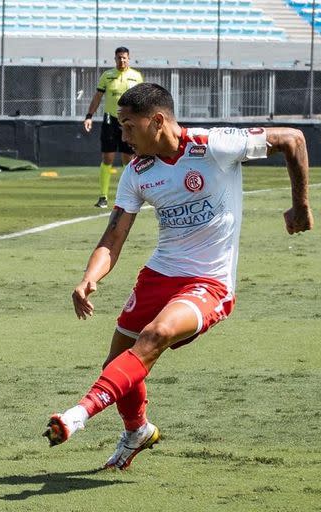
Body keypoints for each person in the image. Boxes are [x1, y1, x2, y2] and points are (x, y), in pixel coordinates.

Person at [43, 83, 314, 470]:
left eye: (128, 126)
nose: (123, 136)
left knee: (156, 336)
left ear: (157, 121)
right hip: (159, 274)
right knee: (118, 366)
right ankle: (137, 431)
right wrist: (90, 276)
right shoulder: (137, 172)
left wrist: (300, 206)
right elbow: (114, 235)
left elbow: (293, 138)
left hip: (209, 281)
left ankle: (78, 414)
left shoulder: (214, 145)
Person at [83, 47, 143, 208]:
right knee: (107, 158)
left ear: (129, 58)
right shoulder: (107, 76)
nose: (121, 60)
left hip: (128, 123)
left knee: (128, 159)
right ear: (115, 59)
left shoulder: (136, 77)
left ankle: (130, 195)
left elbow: (142, 101)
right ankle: (103, 197)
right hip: (110, 119)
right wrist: (89, 116)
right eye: (119, 58)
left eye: (124, 58)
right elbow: (97, 97)